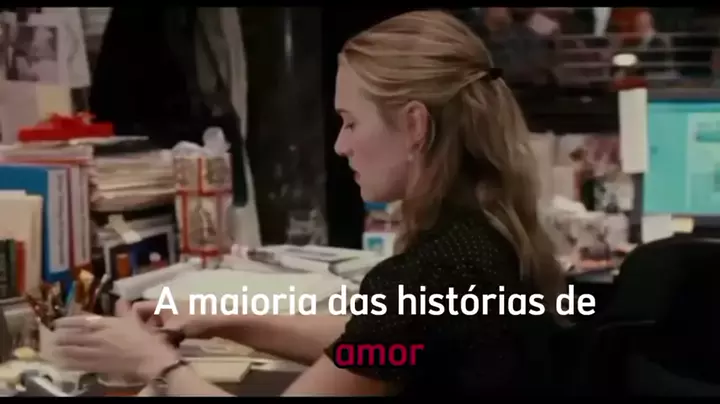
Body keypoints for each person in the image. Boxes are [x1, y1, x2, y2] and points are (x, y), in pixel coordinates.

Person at [52, 10, 566, 396]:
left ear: (414, 124)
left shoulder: (434, 269)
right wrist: (222, 320)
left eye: (351, 122)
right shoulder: (487, 235)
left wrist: (155, 365)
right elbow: (377, 343)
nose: (340, 145)